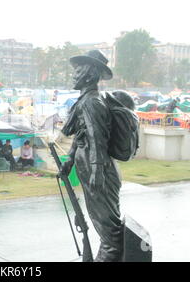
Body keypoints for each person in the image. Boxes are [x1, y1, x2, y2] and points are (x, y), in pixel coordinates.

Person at [61, 49, 123, 262]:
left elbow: (97, 139)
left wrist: (97, 172)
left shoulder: (92, 103)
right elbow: (82, 135)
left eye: (78, 70)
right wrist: (70, 159)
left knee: (106, 223)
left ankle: (108, 258)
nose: (73, 74)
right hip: (91, 167)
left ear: (89, 73)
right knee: (99, 218)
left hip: (98, 169)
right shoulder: (85, 100)